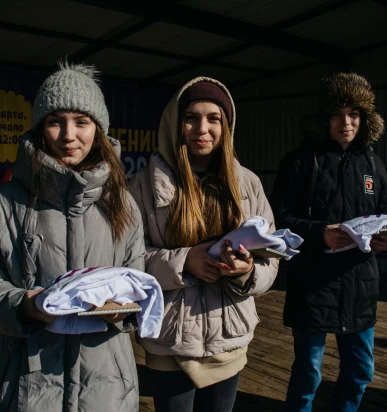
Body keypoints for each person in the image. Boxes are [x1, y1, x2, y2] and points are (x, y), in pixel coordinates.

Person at [0, 62, 145, 412]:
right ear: (41, 128)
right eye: (55, 121)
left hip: (105, 388)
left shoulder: (123, 204)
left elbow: (136, 278)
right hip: (22, 389)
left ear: (99, 130)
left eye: (82, 122)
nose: (68, 135)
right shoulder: (5, 204)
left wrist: (123, 311)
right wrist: (25, 305)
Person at [130, 77, 279, 412]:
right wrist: (184, 262)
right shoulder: (141, 186)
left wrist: (246, 272)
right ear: (175, 124)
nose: (203, 128)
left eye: (214, 118)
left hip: (229, 337)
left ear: (226, 126)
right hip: (170, 342)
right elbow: (127, 259)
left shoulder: (248, 183)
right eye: (191, 117)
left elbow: (272, 259)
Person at [270, 73, 387, 412]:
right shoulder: (298, 162)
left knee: (360, 372)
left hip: (360, 285)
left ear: (364, 119)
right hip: (313, 285)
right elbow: (278, 220)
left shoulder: (374, 164)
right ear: (325, 118)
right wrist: (318, 233)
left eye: (354, 114)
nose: (346, 122)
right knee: (309, 373)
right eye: (338, 114)